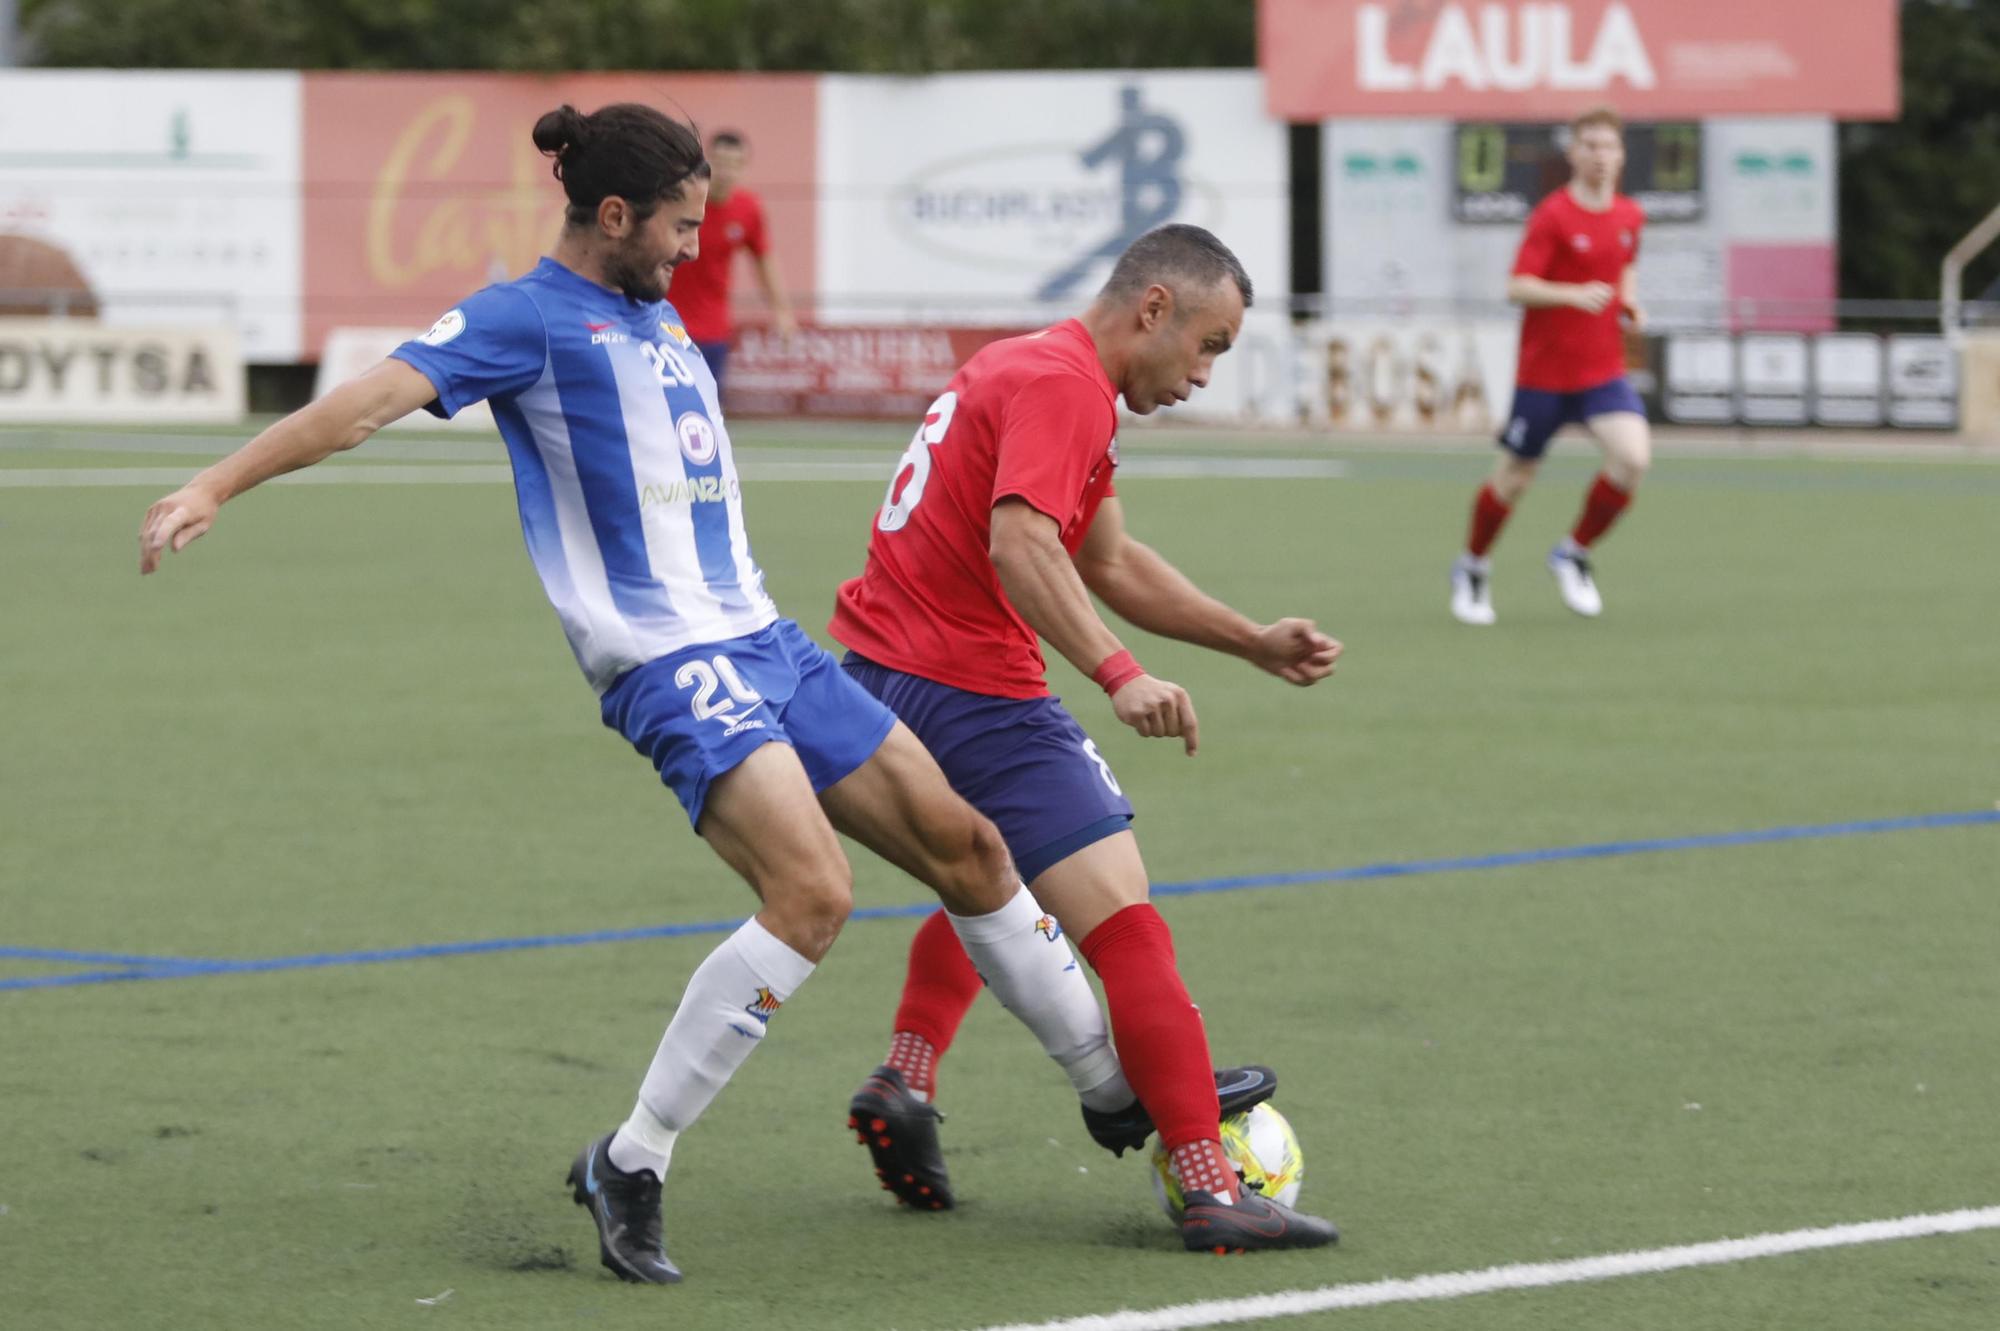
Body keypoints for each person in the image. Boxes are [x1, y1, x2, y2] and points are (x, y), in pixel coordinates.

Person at [135, 102, 1145, 1288]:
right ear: (612, 215)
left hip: (766, 638)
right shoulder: (523, 317)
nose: (692, 248)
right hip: (669, 662)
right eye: (678, 225)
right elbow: (362, 403)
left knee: (969, 847)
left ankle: (1113, 1089)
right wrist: (215, 481)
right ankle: (633, 1155)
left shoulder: (650, 307)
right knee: (811, 892)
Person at [829, 223, 1343, 1254]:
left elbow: (1104, 557)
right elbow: (1019, 542)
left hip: (870, 679)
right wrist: (1117, 672)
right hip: (975, 696)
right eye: (1207, 345)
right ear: (1152, 307)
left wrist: (1245, 638)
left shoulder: (1023, 365)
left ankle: (908, 1069)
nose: (1203, 376)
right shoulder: (1066, 388)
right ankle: (1208, 1178)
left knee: (998, 881)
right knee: (1125, 924)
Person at [1450, 105, 1650, 626]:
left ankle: (1573, 553)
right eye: (1591, 146)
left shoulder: (1630, 216)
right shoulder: (1553, 216)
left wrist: (1628, 301)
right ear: (1574, 153)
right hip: (1543, 376)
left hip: (1602, 372)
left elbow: (1624, 266)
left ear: (1621, 154)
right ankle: (1472, 566)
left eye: (1609, 147)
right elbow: (1517, 285)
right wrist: (1571, 293)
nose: (1601, 157)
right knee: (1514, 479)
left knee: (1632, 459)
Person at [664, 129, 798, 398]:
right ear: (707, 161)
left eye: (735, 164)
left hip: (713, 329)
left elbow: (764, 259)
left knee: (707, 407)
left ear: (744, 167)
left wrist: (782, 312)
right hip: (666, 321)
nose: (726, 171)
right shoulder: (679, 200)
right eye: (721, 162)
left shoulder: (748, 209)